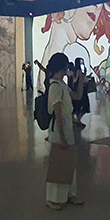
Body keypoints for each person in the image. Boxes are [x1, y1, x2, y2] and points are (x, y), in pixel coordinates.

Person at [44, 53, 83, 210]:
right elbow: (58, 112)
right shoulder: (55, 87)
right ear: (62, 68)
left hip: (67, 126)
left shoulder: (61, 85)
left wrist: (81, 81)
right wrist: (62, 137)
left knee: (68, 161)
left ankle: (69, 194)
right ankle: (52, 198)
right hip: (59, 127)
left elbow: (77, 96)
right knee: (58, 162)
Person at [69, 59, 89, 128]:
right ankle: (78, 120)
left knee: (78, 107)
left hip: (77, 90)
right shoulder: (78, 72)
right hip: (81, 90)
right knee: (83, 106)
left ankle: (77, 120)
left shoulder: (73, 71)